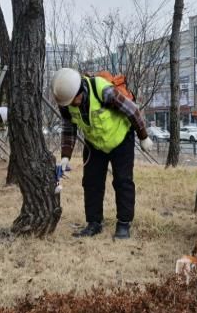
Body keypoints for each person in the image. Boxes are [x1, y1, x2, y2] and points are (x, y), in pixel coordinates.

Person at [52, 67, 153, 240]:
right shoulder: (66, 103)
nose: (71, 105)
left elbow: (132, 110)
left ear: (80, 90)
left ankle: (123, 224)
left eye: (73, 100)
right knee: (91, 182)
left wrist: (143, 136)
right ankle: (94, 223)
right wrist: (65, 157)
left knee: (123, 181)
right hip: (94, 144)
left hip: (121, 139)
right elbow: (69, 129)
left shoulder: (103, 91)